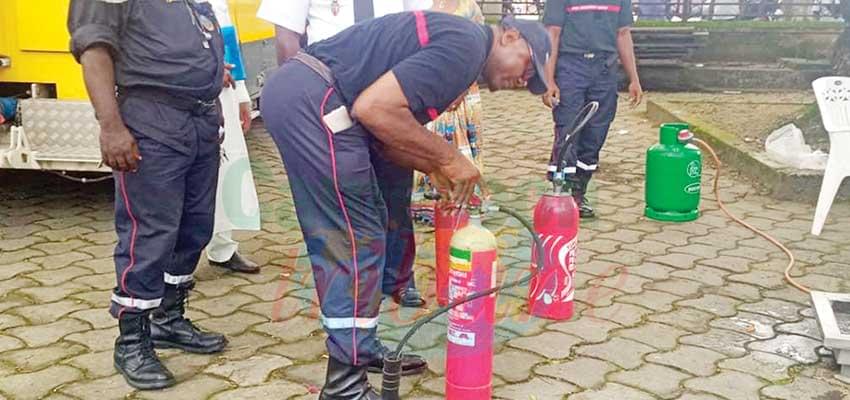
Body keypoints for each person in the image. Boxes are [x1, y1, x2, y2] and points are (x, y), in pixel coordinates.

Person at [260, 11, 551, 398]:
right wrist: (449, 158)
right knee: (354, 240)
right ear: (509, 36)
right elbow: (374, 109)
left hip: (317, 99)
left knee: (376, 226)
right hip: (315, 101)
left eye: (532, 82)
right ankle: (344, 385)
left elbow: (385, 133)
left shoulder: (463, 48)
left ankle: (358, 351)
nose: (523, 79)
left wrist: (432, 165)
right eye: (528, 64)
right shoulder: (467, 45)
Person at [68, 0, 229, 390]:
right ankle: (131, 340)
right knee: (149, 233)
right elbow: (94, 51)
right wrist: (111, 127)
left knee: (195, 227)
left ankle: (168, 320)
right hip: (152, 120)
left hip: (199, 119)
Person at [256, 0, 432, 307]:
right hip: (331, 98)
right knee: (342, 197)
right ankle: (355, 283)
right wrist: (310, 102)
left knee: (396, 193)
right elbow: (287, 41)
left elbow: (424, 23)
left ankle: (399, 278)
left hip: (389, 98)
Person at [542, 0, 644, 218]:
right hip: (571, 66)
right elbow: (553, 33)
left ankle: (580, 190)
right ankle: (564, 192)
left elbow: (623, 34)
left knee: (597, 131)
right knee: (569, 130)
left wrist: (634, 79)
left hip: (604, 69)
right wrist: (548, 80)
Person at [206, 0, 262, 274]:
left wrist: (241, 97)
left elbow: (228, 38)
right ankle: (174, 262)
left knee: (225, 165)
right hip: (182, 90)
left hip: (223, 92)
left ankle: (222, 248)